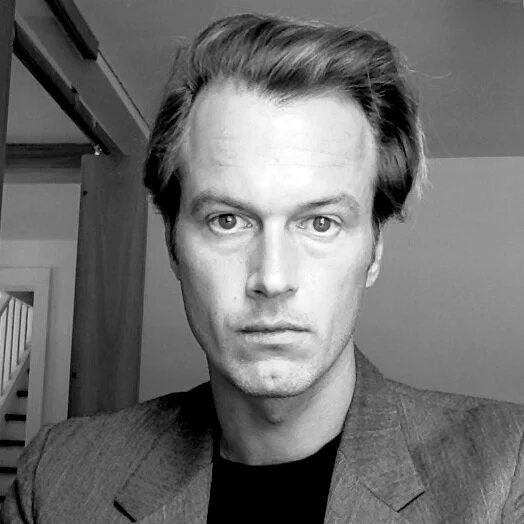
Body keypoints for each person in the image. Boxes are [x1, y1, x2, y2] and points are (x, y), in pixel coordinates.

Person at [2, 13, 524, 524]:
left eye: (320, 223)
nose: (272, 279)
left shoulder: (507, 468)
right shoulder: (57, 478)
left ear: (374, 252)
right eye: (227, 220)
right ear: (173, 245)